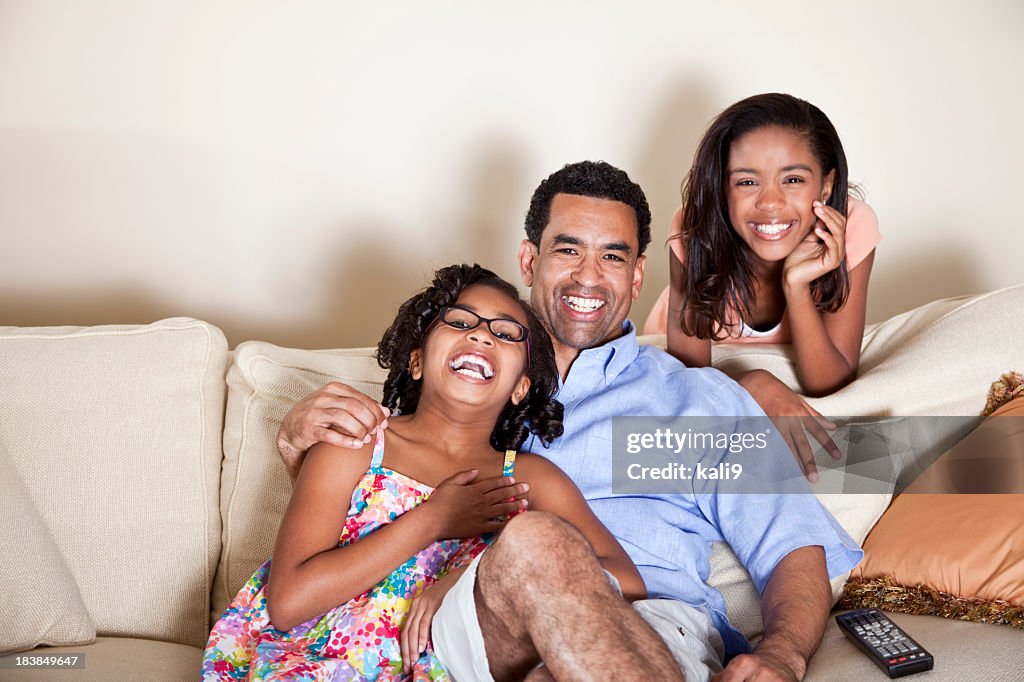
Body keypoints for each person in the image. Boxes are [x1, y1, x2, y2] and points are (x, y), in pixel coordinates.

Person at [277, 161, 863, 681]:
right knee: (533, 542)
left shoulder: (696, 401)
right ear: (530, 259)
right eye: (568, 249)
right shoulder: (470, 384)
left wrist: (783, 655)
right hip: (475, 625)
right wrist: (297, 432)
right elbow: (374, 486)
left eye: (612, 256)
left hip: (650, 622)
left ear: (636, 277)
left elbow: (791, 544)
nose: (589, 275)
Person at [202, 264, 681, 680]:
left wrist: (469, 579)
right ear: (416, 360)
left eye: (506, 332)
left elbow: (627, 581)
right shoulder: (355, 445)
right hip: (325, 662)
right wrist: (435, 519)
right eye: (460, 321)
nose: (481, 335)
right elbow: (288, 601)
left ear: (521, 387)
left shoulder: (528, 477)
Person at [643, 93, 882, 478]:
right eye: (747, 181)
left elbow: (831, 382)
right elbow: (687, 383)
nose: (770, 202)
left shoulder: (852, 224)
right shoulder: (693, 228)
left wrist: (796, 286)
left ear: (825, 186)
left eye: (793, 179)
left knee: (865, 461)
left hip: (794, 378)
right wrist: (753, 385)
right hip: (691, 361)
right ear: (722, 188)